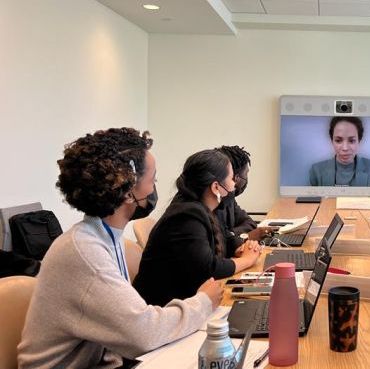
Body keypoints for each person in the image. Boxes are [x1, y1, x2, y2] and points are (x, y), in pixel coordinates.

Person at [18, 128, 222, 368]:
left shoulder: (100, 236)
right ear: (128, 193)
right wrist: (203, 301)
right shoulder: (84, 251)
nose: (153, 189)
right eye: (152, 180)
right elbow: (144, 334)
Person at [133, 149, 261, 307]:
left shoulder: (201, 207)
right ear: (216, 187)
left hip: (183, 303)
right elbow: (208, 269)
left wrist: (240, 248)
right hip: (163, 313)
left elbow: (222, 237)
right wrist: (247, 260)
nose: (234, 184)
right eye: (230, 178)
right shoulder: (186, 217)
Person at [215, 145, 272, 244]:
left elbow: (249, 223)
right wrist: (245, 236)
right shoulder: (211, 202)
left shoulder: (229, 198)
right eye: (246, 174)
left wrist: (231, 234)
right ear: (236, 178)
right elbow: (217, 243)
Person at [309, 116, 370, 187]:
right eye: (338, 140)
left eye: (351, 141)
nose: (345, 148)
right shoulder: (316, 171)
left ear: (359, 141)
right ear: (332, 141)